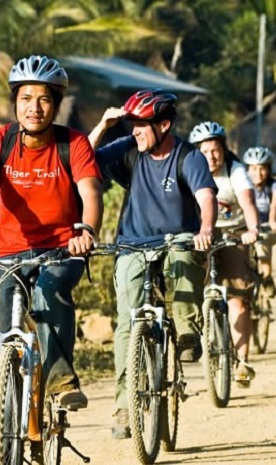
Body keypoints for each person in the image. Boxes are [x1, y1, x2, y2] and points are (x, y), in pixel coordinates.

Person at [0, 55, 103, 465]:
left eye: (43, 99)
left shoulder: (73, 143)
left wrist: (87, 231)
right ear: (15, 102)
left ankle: (61, 378)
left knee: (49, 293)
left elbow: (91, 194)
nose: (34, 107)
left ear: (56, 103)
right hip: (5, 255)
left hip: (61, 251)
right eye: (26, 98)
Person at [88, 89, 217, 440]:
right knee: (128, 325)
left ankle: (187, 330)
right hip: (132, 245)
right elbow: (82, 161)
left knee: (184, 257)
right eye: (132, 125)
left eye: (142, 125)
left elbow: (206, 197)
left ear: (164, 124)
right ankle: (125, 405)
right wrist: (103, 125)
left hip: (178, 241)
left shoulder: (187, 157)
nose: (135, 132)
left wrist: (205, 229)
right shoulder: (129, 150)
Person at [188, 121, 262, 384]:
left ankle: (242, 361)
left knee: (237, 298)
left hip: (234, 233)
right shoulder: (189, 169)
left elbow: (248, 202)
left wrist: (253, 229)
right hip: (199, 236)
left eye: (216, 149)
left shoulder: (236, 171)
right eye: (205, 151)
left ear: (224, 149)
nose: (211, 156)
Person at [242, 146, 276, 297]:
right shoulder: (241, 185)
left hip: (267, 227)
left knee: (261, 244)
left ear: (269, 169)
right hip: (245, 227)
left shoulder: (275, 186)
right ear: (247, 169)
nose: (258, 173)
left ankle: (267, 279)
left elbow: (275, 206)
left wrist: (273, 222)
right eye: (253, 169)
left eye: (262, 169)